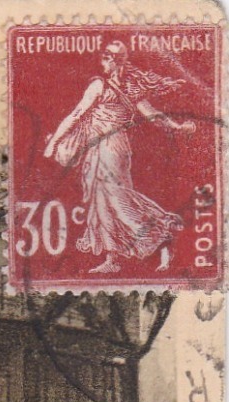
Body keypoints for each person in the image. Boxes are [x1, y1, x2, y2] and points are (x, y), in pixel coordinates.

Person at [43, 40, 195, 275]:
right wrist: (176, 126)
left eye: (105, 59)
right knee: (104, 201)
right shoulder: (132, 88)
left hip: (108, 148)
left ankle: (161, 238)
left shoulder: (100, 85)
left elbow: (76, 114)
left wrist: (53, 143)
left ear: (113, 61)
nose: (102, 63)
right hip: (114, 148)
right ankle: (113, 258)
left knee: (117, 201)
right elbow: (154, 116)